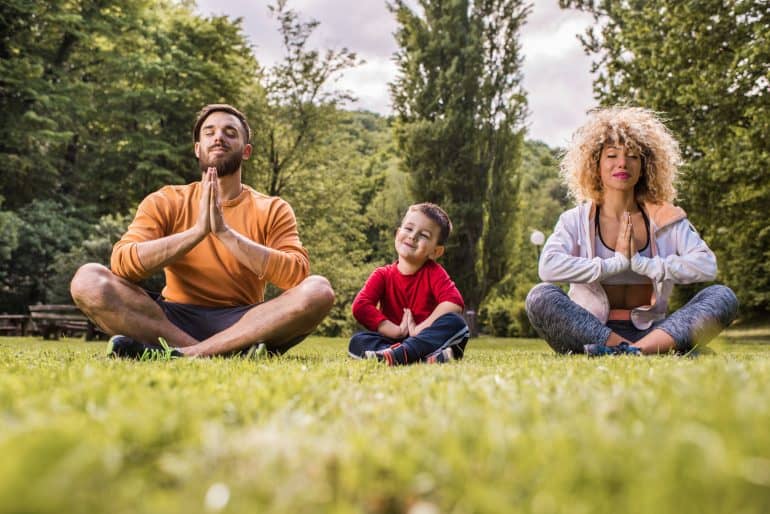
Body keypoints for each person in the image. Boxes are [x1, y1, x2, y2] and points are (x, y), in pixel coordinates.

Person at [70, 104, 335, 359]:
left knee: (318, 290)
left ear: (246, 151)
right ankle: (211, 351)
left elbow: (296, 275)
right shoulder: (165, 200)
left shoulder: (273, 208)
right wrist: (197, 232)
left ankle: (187, 354)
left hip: (245, 321)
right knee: (88, 280)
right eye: (209, 132)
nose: (218, 137)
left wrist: (224, 233)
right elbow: (123, 264)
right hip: (172, 320)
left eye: (230, 133)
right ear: (198, 148)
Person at [525, 106, 738, 356]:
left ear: (645, 166)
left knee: (722, 296)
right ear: (596, 163)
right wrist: (612, 264)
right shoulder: (575, 220)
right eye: (612, 155)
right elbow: (548, 267)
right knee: (541, 297)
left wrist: (644, 264)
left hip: (655, 330)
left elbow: (706, 265)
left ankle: (630, 351)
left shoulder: (666, 218)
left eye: (633, 156)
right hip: (592, 330)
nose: (622, 163)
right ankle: (641, 350)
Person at [348, 203, 469, 365]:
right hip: (391, 342)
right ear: (398, 233)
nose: (412, 236)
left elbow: (453, 303)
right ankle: (419, 358)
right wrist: (394, 330)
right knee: (357, 341)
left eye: (424, 235)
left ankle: (402, 355)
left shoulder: (434, 272)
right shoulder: (382, 275)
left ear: (436, 251)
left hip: (427, 341)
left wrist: (420, 330)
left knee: (457, 324)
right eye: (408, 229)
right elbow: (360, 306)